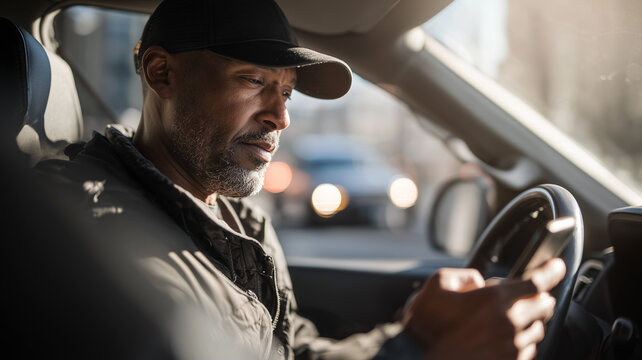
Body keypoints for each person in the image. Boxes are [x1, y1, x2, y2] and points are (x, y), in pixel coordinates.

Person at [36, 0, 566, 359]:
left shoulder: (239, 218)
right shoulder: (88, 236)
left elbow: (292, 350)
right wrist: (415, 350)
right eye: (254, 81)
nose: (280, 117)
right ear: (162, 74)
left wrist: (407, 337)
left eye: (285, 92)